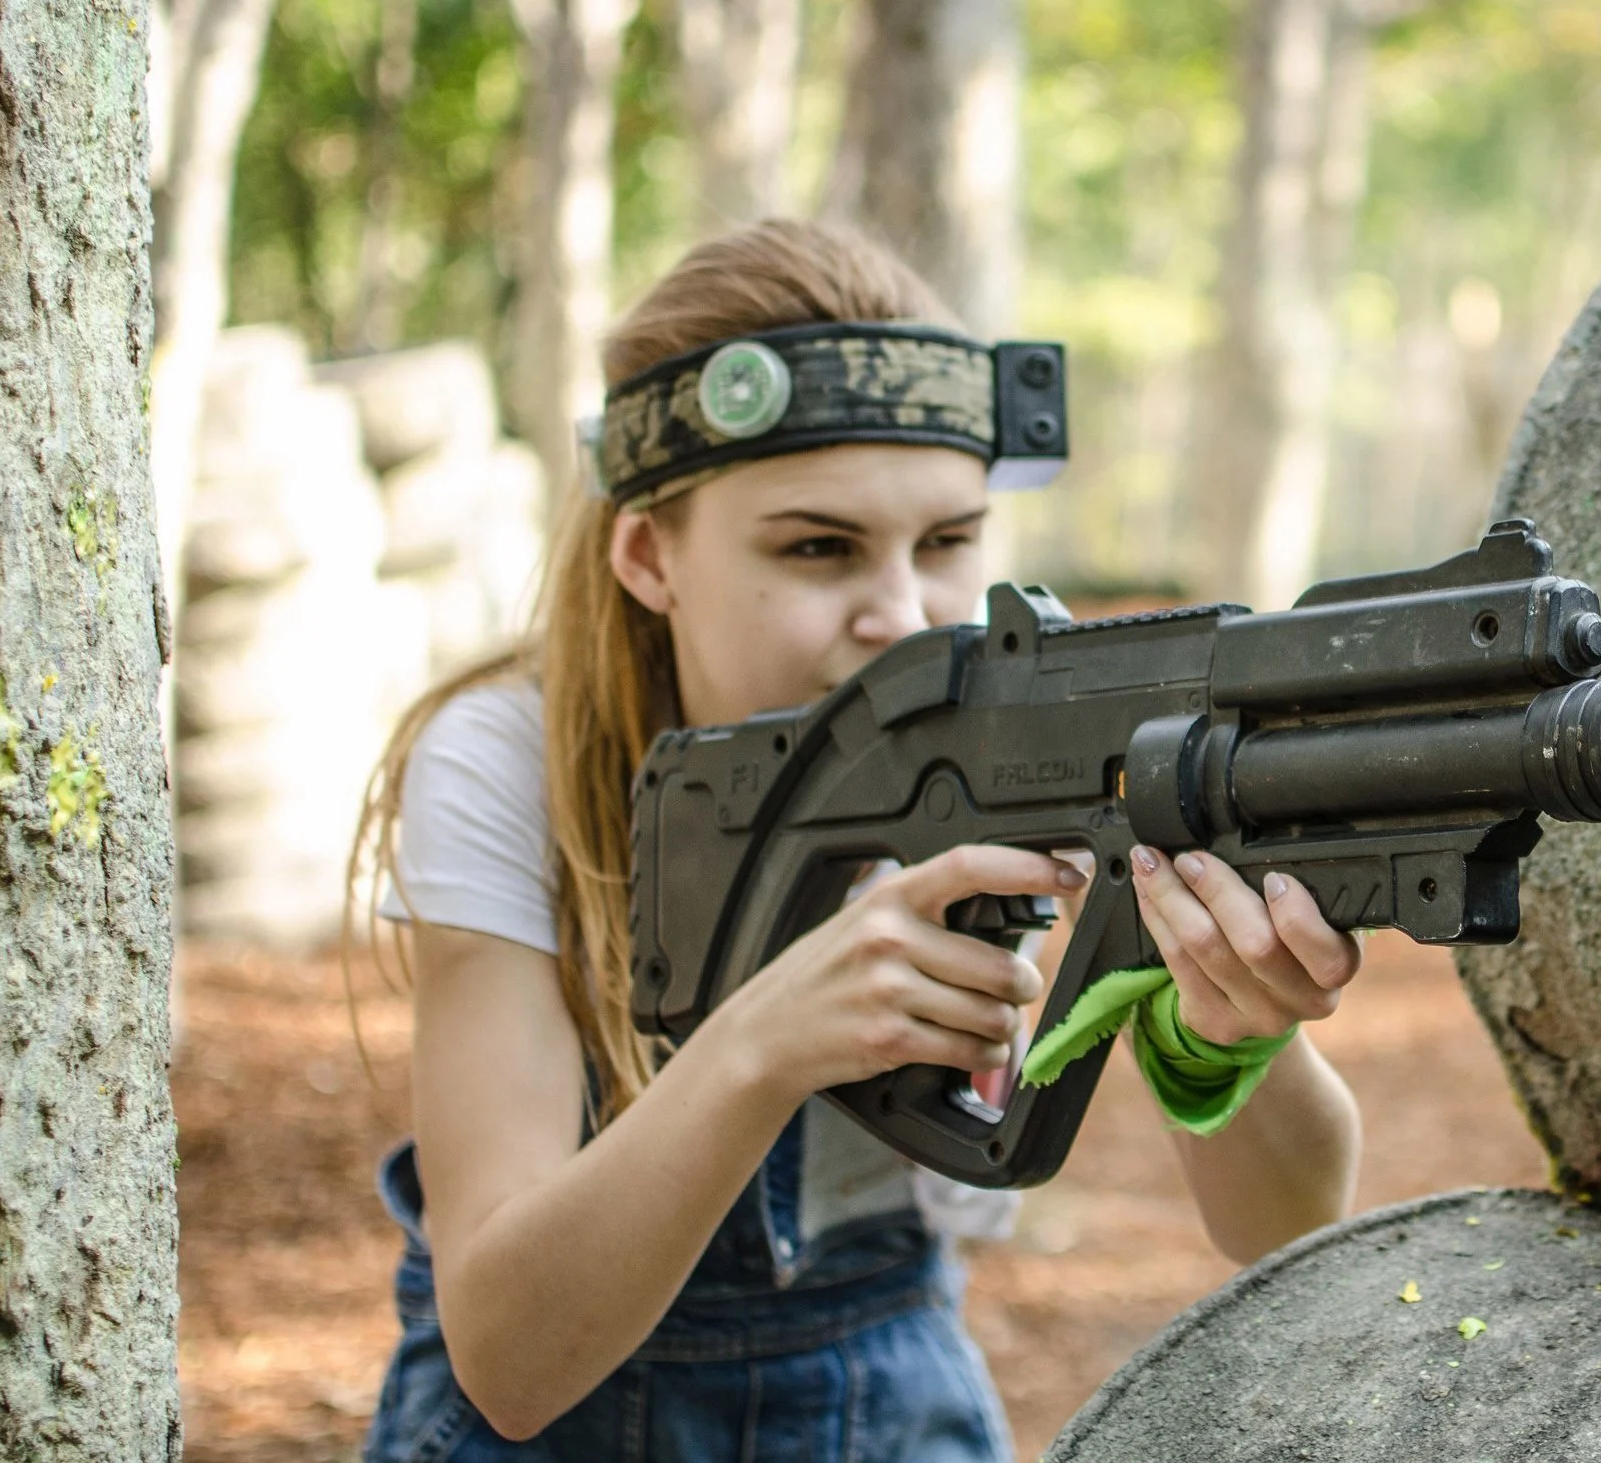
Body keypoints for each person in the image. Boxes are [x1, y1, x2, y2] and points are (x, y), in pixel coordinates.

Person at [350, 219, 1364, 1463]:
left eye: (946, 542)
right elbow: (508, 1356)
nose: (898, 614)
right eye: (816, 547)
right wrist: (763, 1044)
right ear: (645, 551)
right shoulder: (508, 760)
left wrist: (1233, 1034)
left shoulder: (1013, 743)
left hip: (889, 1391)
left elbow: (1287, 1224)